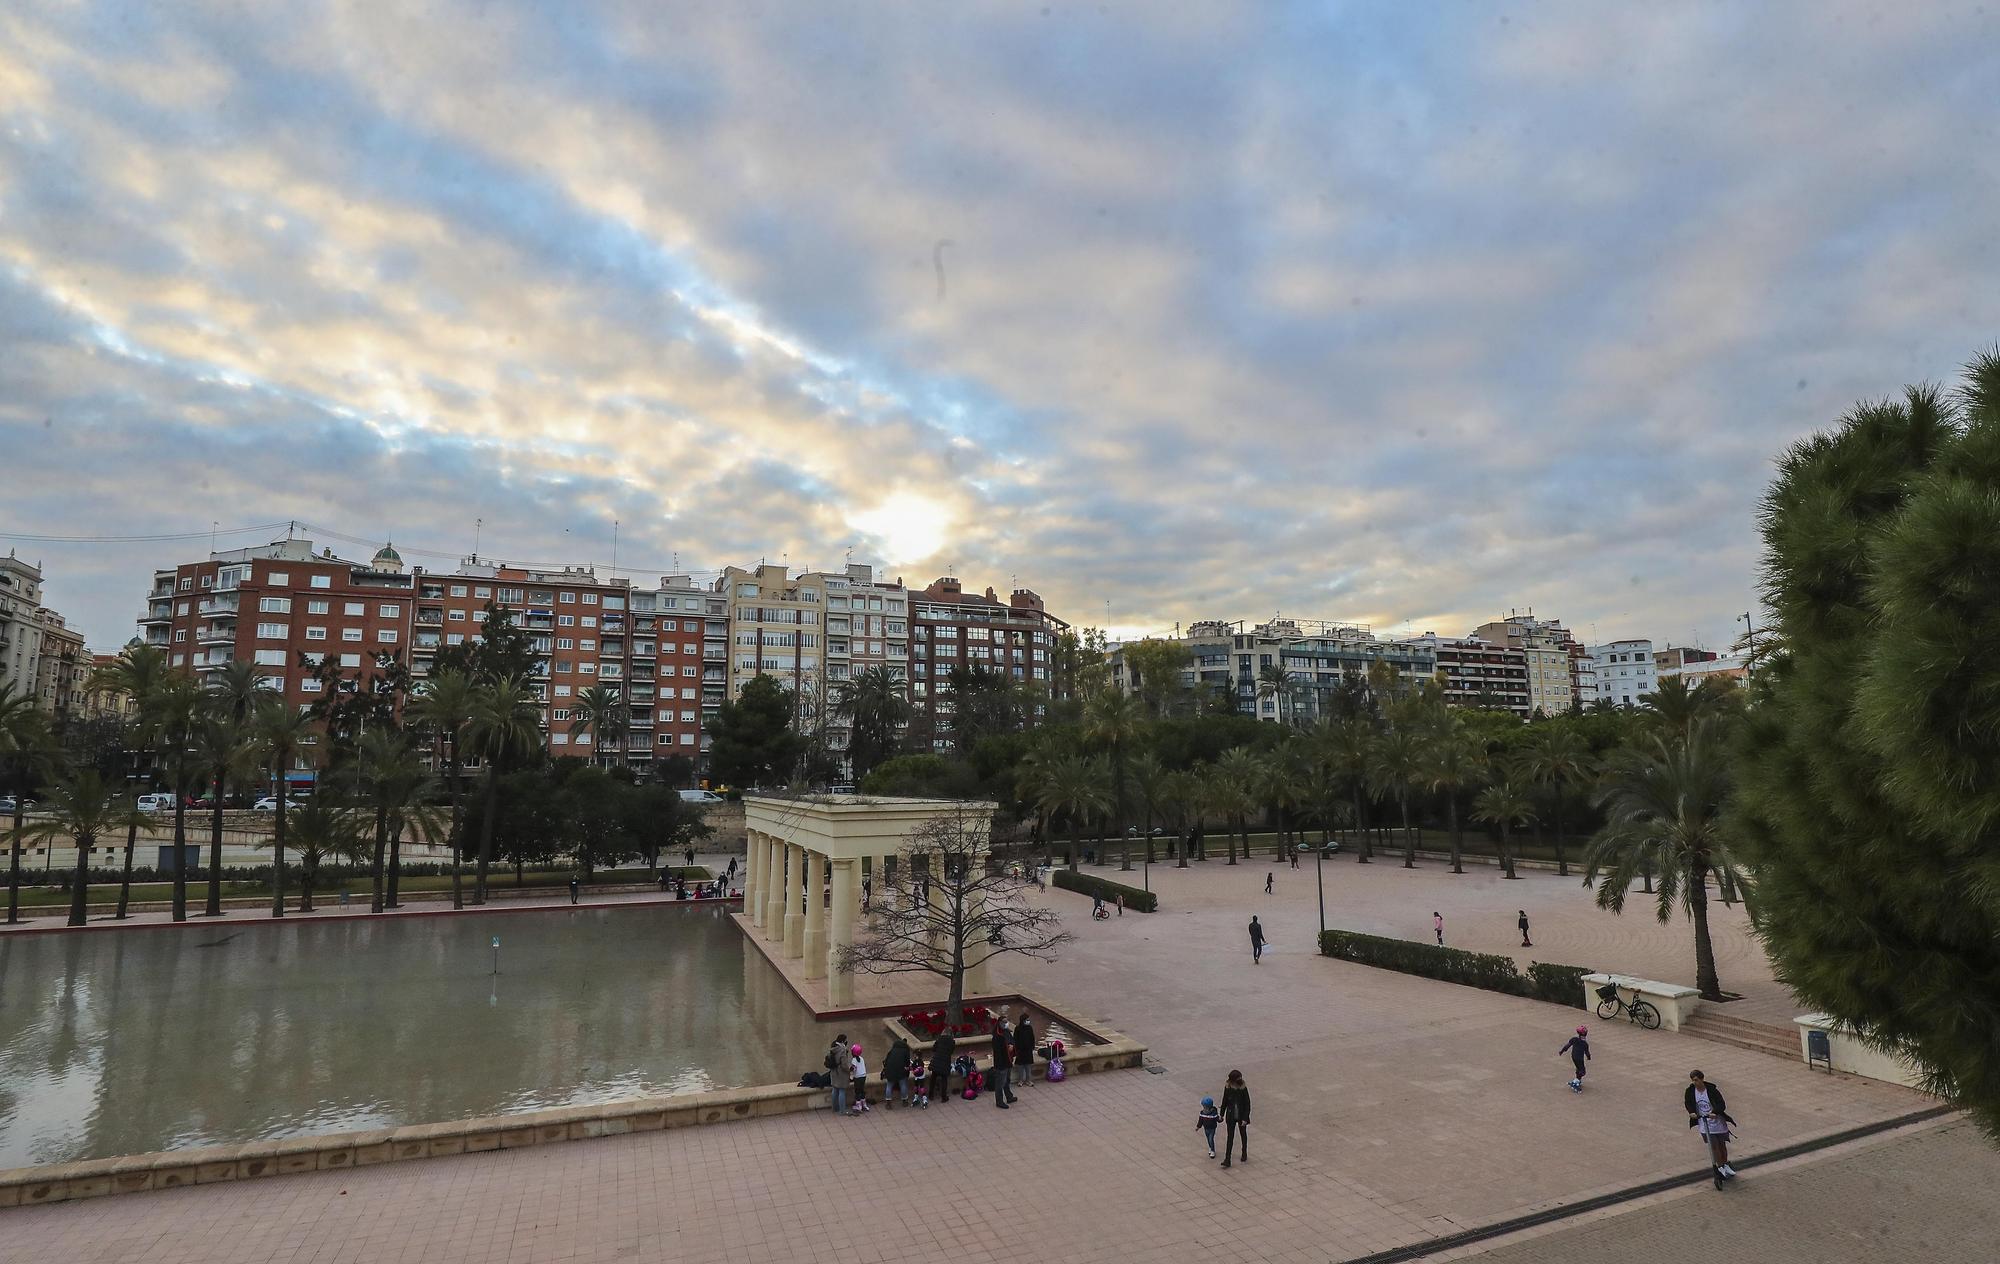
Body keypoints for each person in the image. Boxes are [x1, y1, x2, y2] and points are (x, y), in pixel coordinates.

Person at [1685, 1070, 1738, 1185]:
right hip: (1704, 1123)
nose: (1695, 1083)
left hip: (1717, 1122)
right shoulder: (1690, 1091)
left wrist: (1715, 1112)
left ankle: (1725, 1164)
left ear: (1702, 1079)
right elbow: (1688, 1103)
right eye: (1693, 1080)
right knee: (1714, 1146)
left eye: (1696, 1080)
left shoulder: (1712, 1090)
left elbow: (1721, 1104)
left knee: (1722, 1145)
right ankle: (1720, 1167)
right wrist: (1691, 1112)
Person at [1219, 1070, 1251, 1167]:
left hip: (1241, 1116)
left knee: (1243, 1135)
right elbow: (1224, 1100)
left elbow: (1247, 1104)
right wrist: (1221, 1114)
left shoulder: (1243, 1088)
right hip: (1231, 1115)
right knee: (1230, 1137)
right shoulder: (1228, 1087)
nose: (1240, 1079)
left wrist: (1245, 1118)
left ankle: (1244, 1152)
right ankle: (1227, 1159)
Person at [989, 1021, 1016, 1108]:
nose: (1006, 1023)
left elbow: (1012, 1040)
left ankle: (1009, 1096)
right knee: (1000, 1083)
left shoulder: (1007, 1032)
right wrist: (1007, 1048)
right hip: (1001, 1064)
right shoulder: (997, 1037)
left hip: (1008, 1061)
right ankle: (999, 1101)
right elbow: (998, 1052)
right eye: (1004, 1022)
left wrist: (1012, 1045)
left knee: (1007, 1081)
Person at [1558, 1025, 1591, 1092]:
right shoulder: (1585, 1044)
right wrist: (1589, 1057)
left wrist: (1562, 1051)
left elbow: (1567, 1046)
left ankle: (1577, 1079)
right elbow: (1587, 1052)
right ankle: (1575, 1082)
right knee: (1582, 1071)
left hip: (1573, 1057)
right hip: (1579, 1058)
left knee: (1578, 1068)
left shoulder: (1574, 1039)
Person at [882, 1036, 911, 1108]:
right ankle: (904, 1101)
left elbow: (886, 1060)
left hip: (890, 1070)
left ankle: (888, 1103)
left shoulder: (892, 1050)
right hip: (900, 1071)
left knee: (889, 1085)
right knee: (903, 1084)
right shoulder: (905, 1051)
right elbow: (907, 1063)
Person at [827, 1034, 852, 1116]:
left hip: (833, 1071)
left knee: (835, 1090)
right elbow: (844, 1065)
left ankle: (835, 1108)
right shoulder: (842, 1050)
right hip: (841, 1073)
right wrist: (849, 1071)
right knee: (842, 1091)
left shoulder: (833, 1047)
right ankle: (842, 1110)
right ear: (842, 1041)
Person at [932, 1032, 957, 1105]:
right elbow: (951, 1051)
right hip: (945, 1061)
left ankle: (931, 1095)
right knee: (944, 1079)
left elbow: (934, 1049)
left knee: (933, 1077)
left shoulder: (939, 1039)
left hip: (936, 1060)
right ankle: (943, 1097)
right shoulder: (952, 1042)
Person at [1013, 1012, 1036, 1089]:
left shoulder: (1029, 1028)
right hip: (1020, 1051)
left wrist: (1032, 1046)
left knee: (1028, 1066)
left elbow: (1032, 1038)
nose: (1028, 1021)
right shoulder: (1018, 1028)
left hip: (1028, 1050)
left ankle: (1028, 1080)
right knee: (1020, 1067)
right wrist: (1016, 1049)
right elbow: (1015, 1039)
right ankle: (1020, 1080)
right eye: (1027, 1020)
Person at [1195, 1095, 1220, 1159]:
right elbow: (1200, 1120)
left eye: (1204, 1106)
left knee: (1211, 1139)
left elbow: (1217, 1119)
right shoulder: (1202, 1113)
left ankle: (1212, 1150)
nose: (1203, 1108)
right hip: (1206, 1128)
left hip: (1212, 1128)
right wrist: (1198, 1127)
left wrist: (1220, 1119)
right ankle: (1210, 1147)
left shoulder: (1213, 1113)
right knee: (1208, 1138)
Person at [849, 1043, 871, 1115]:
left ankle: (858, 1106)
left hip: (858, 1077)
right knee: (862, 1090)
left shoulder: (854, 1060)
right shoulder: (861, 1058)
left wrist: (850, 1076)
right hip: (863, 1076)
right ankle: (864, 1104)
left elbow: (853, 1069)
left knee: (857, 1091)